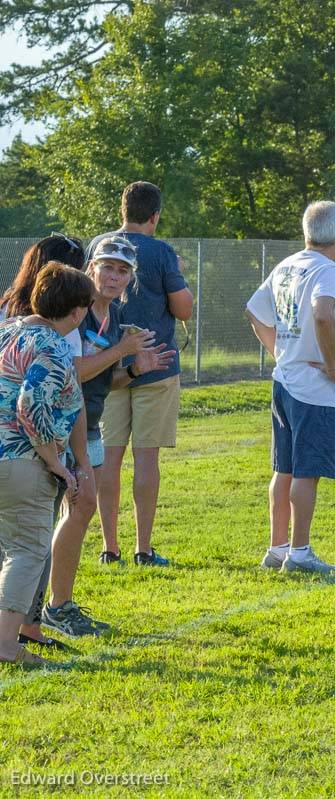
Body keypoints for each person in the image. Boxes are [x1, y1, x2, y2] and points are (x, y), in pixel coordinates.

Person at [42, 237, 173, 639]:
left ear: (131, 278)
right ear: (91, 268)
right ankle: (50, 607)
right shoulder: (74, 310)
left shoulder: (113, 316)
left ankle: (54, 605)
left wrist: (134, 370)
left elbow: (102, 382)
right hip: (58, 430)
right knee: (56, 516)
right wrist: (122, 350)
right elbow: (72, 372)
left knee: (79, 513)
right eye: (108, 267)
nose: (114, 276)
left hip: (89, 425)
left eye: (123, 270)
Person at [87, 181, 194, 567]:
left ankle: (108, 546)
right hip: (157, 362)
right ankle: (143, 549)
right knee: (146, 459)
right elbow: (183, 310)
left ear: (123, 211)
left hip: (106, 364)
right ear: (155, 216)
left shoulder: (99, 245)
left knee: (109, 459)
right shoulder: (162, 251)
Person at [246, 201, 335, 575]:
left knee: (284, 468)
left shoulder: (286, 265)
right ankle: (301, 552)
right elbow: (323, 313)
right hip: (314, 387)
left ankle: (277, 547)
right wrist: (330, 364)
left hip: (285, 380)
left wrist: (279, 349)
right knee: (306, 471)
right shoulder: (329, 269)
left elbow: (255, 311)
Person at [0, 234, 93, 648]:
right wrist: (56, 463)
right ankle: (6, 644)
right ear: (75, 312)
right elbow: (30, 403)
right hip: (22, 460)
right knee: (26, 551)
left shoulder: (7, 332)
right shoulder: (52, 345)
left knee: (7, 549)